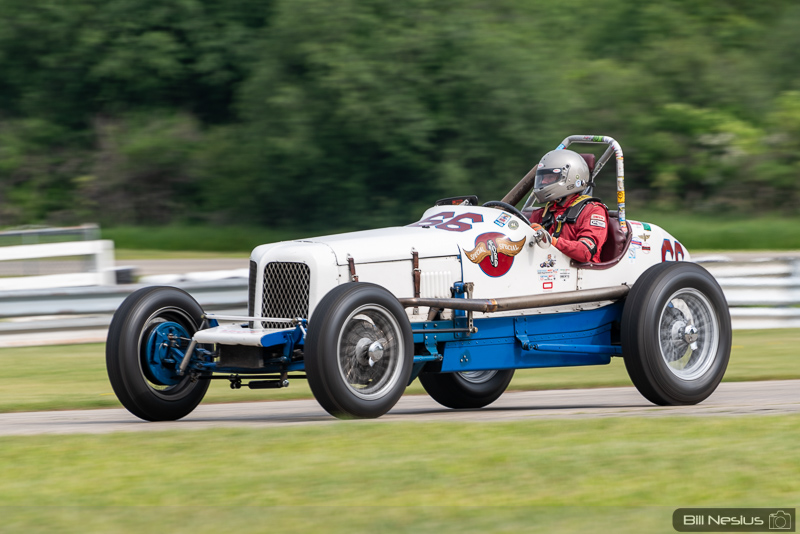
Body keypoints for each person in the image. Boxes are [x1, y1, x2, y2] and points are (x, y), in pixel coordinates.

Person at [527, 149, 608, 263]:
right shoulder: (542, 213)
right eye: (543, 177)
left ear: (570, 178)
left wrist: (551, 241)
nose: (544, 181)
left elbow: (585, 251)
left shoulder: (593, 211)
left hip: (581, 275)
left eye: (550, 177)